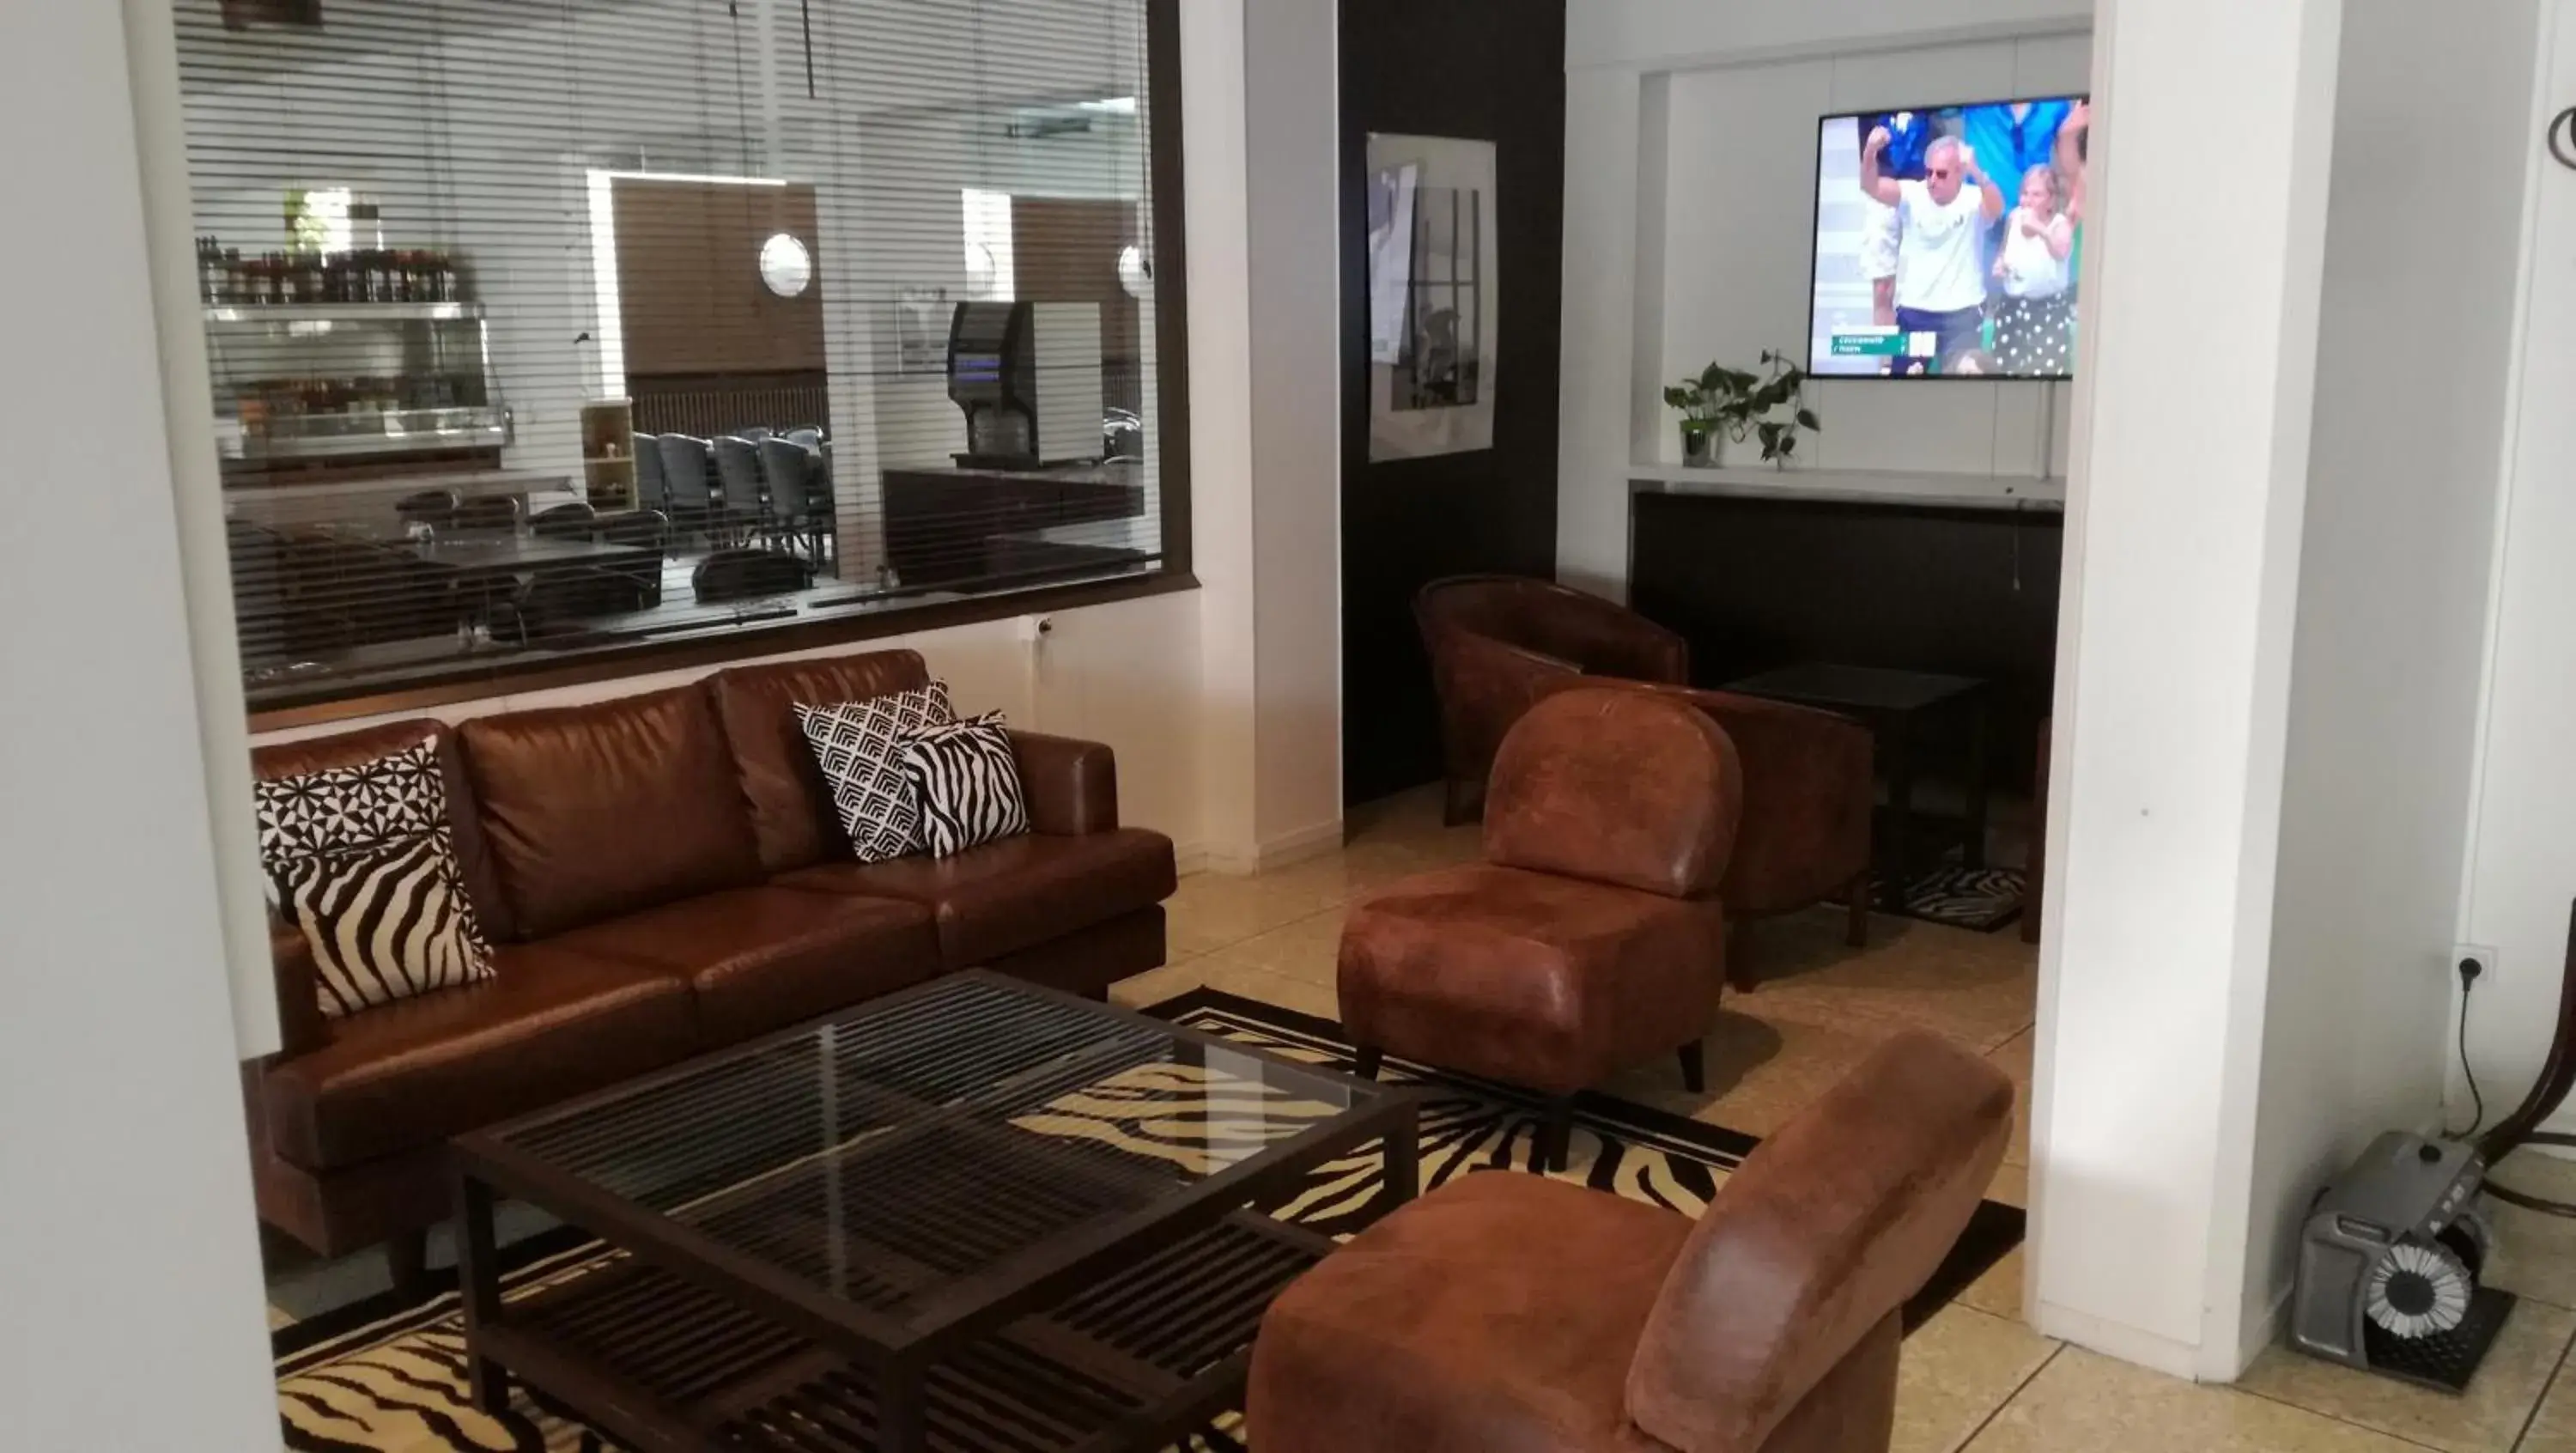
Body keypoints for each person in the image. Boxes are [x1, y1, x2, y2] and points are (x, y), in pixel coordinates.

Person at [1861, 130, 2005, 367]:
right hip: (1916, 311)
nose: (1932, 180)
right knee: (1904, 385)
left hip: (1964, 312)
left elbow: (1997, 208)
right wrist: (1870, 152)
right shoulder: (1912, 194)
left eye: (1941, 174)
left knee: (1962, 391)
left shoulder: (1973, 200)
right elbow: (1871, 187)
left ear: (1959, 172)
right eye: (1928, 173)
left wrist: (1977, 172)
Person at [1991, 164, 2075, 375]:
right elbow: (2003, 250)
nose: (2027, 200)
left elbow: (2060, 251)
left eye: (2036, 195)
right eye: (2025, 193)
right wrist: (2000, 263)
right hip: (2011, 309)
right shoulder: (2013, 217)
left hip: (2047, 313)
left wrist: (2040, 228)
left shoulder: (2060, 224)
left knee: (2044, 375)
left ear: (2051, 199)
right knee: (2006, 373)